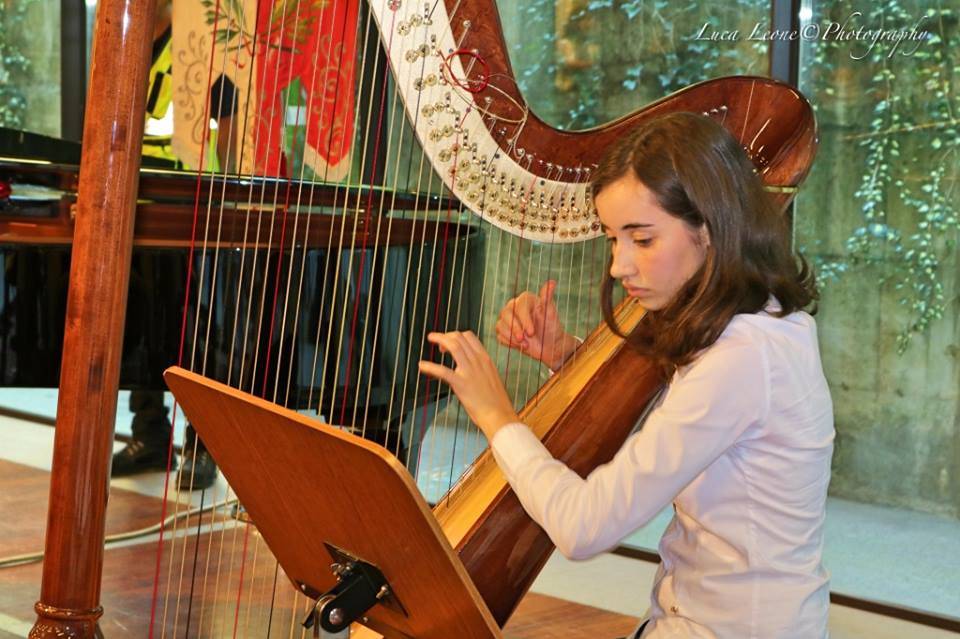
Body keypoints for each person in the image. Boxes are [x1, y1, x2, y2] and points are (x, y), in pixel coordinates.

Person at [418, 111, 834, 638]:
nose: (618, 266)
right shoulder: (766, 320)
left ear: (708, 230)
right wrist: (564, 355)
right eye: (613, 239)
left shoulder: (741, 356)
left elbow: (583, 527)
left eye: (642, 240)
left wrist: (497, 416)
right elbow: (687, 436)